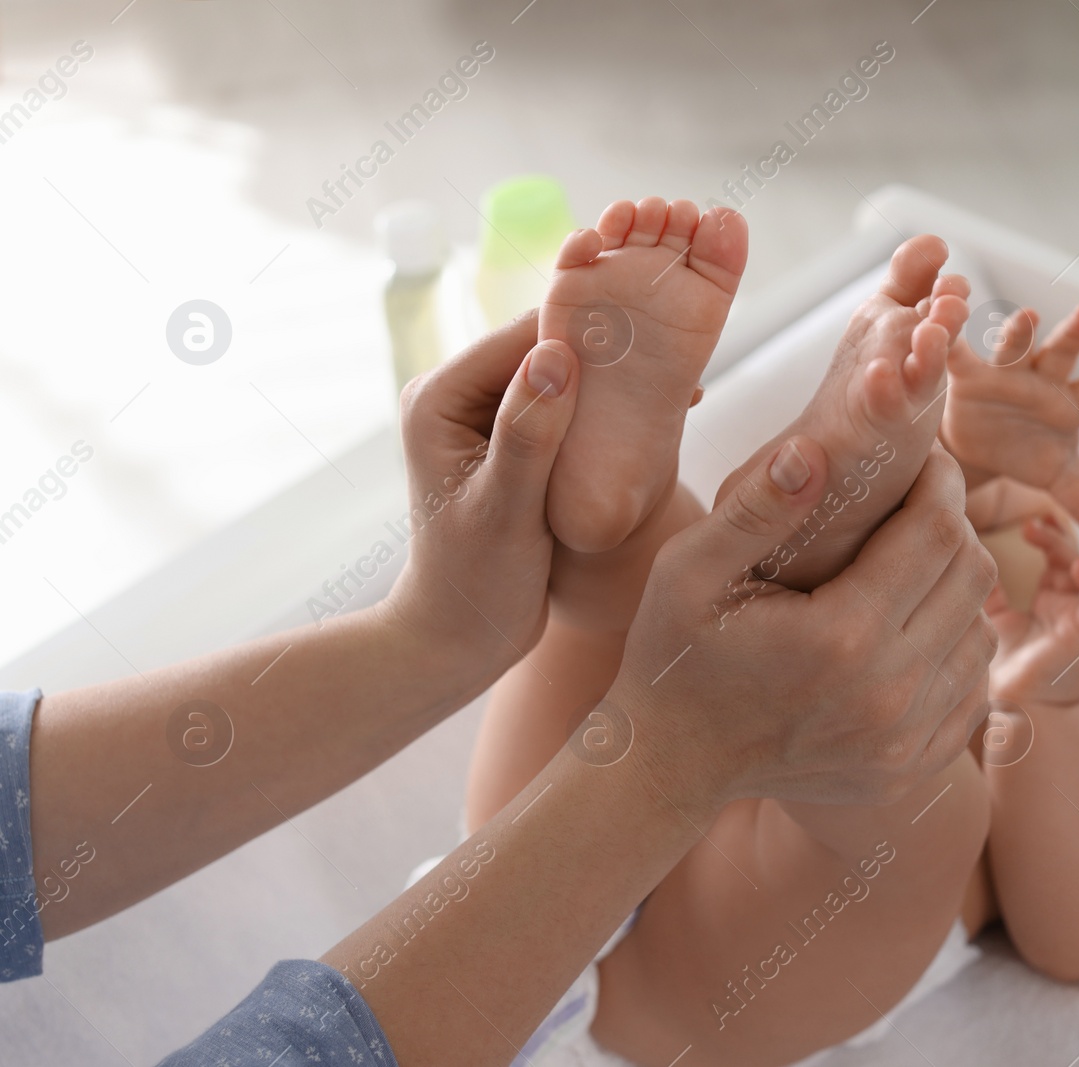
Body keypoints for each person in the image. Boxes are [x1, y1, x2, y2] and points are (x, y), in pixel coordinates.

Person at [465, 201, 1079, 1067]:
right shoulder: (1031, 516)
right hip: (544, 839)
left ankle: (793, 541)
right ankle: (623, 509)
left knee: (926, 786)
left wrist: (1043, 710)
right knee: (677, 571)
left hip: (720, 967)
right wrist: (961, 455)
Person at [0, 288, 1000, 1067]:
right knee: (915, 811)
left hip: (472, 921)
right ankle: (784, 552)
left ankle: (623, 518)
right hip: (588, 1020)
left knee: (634, 636)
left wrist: (430, 632)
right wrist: (1070, 701)